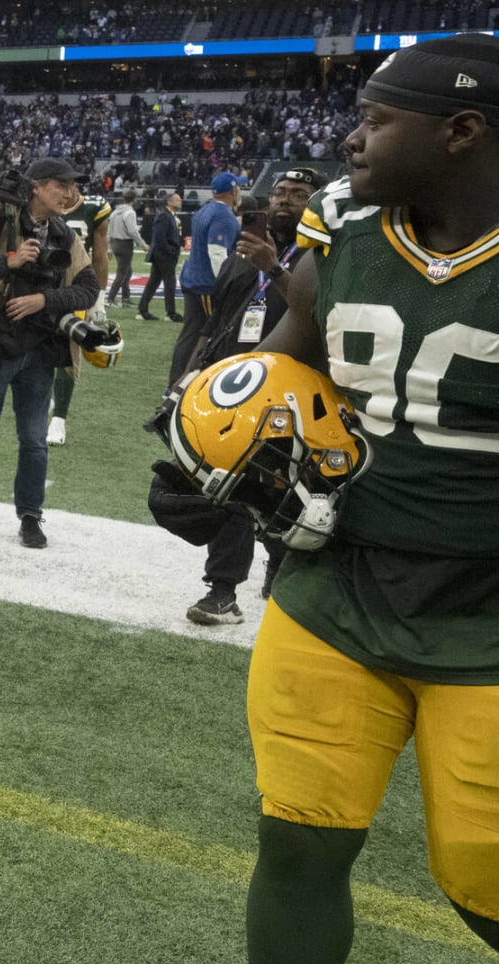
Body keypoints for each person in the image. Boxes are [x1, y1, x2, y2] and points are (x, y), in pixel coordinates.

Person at [166, 33, 499, 964]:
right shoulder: (342, 232)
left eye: (377, 118)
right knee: (298, 846)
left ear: (463, 131)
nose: (351, 139)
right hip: (334, 600)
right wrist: (214, 462)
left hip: (486, 623)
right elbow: (290, 370)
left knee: (483, 875)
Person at [177, 168, 322, 625]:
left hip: (291, 389)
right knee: (230, 485)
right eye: (280, 193)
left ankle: (278, 564)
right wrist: (187, 377)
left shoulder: (321, 258)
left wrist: (274, 268)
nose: (285, 201)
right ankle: (223, 591)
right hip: (235, 385)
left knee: (279, 488)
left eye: (299, 195)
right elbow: (214, 322)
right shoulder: (241, 255)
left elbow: (315, 317)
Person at [0, 158, 100, 549]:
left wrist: (42, 300)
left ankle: (30, 517)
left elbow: (88, 288)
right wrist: (8, 262)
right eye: (60, 185)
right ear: (36, 187)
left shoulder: (64, 233)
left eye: (71, 186)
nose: (69, 193)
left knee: (34, 440)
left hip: (42, 348)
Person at [48, 182, 112, 445]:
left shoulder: (93, 208)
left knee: (68, 353)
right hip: (39, 284)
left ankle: (58, 420)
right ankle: (44, 398)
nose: (64, 192)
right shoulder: (41, 203)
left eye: (67, 184)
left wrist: (98, 298)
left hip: (76, 287)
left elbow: (100, 255)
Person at [168, 171, 245, 386]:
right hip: (206, 284)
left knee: (190, 333)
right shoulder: (223, 215)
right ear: (233, 190)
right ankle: (184, 381)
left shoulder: (205, 210)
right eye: (238, 187)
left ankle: (177, 381)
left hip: (194, 279)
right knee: (203, 335)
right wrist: (226, 283)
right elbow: (217, 251)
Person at [136, 191, 183, 322]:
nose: (180, 202)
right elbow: (159, 237)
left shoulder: (169, 216)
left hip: (162, 254)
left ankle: (143, 310)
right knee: (169, 282)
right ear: (169, 202)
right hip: (164, 255)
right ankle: (170, 313)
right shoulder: (164, 216)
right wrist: (170, 251)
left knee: (154, 282)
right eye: (177, 200)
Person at [105, 188, 146, 307]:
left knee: (128, 271)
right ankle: (111, 298)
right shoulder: (130, 212)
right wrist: (142, 243)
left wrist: (109, 247)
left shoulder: (115, 212)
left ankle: (125, 298)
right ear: (134, 199)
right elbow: (132, 231)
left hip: (115, 243)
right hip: (125, 244)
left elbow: (108, 230)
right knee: (122, 273)